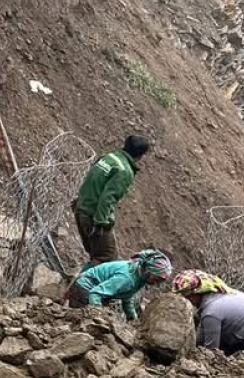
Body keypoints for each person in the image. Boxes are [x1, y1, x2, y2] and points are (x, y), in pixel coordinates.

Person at [172, 271, 244, 366]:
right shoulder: (220, 294)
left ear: (196, 294)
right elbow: (201, 338)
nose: (187, 300)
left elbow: (211, 351)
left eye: (187, 296)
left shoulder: (211, 312)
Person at [73, 135, 150, 267]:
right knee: (107, 259)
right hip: (93, 217)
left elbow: (91, 178)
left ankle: (79, 282)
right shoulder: (124, 171)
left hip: (81, 209)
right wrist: (100, 224)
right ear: (140, 156)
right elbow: (108, 197)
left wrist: (79, 201)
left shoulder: (109, 157)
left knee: (96, 254)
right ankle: (79, 286)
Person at [67, 248, 173, 321]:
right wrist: (98, 316)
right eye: (156, 279)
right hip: (84, 288)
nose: (156, 284)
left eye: (160, 281)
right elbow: (95, 294)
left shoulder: (139, 276)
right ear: (149, 270)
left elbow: (127, 297)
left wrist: (133, 318)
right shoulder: (126, 278)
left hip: (93, 290)